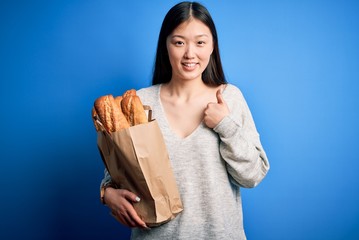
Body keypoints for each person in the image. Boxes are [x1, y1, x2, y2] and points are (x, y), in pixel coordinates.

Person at [100, 1, 270, 239]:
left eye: (200, 42)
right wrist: (107, 194)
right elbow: (119, 173)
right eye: (179, 42)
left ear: (212, 46)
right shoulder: (140, 102)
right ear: (165, 46)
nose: (190, 53)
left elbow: (253, 176)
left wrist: (225, 125)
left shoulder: (229, 98)